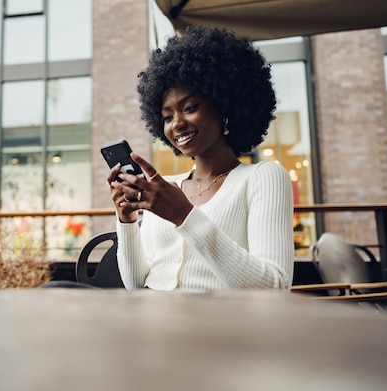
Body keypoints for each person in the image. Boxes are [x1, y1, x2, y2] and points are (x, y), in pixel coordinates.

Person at [106, 26, 294, 291]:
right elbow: (136, 284)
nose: (177, 124)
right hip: (151, 322)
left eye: (190, 108)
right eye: (167, 117)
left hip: (210, 327)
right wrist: (126, 220)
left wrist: (184, 215)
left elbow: (275, 287)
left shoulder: (263, 177)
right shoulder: (164, 187)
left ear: (225, 107)